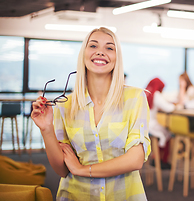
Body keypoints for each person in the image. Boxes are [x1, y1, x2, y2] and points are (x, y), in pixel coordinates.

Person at [31, 27, 151, 200]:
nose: (101, 52)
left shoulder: (134, 98)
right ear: (84, 54)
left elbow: (135, 159)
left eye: (109, 48)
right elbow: (62, 169)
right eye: (93, 46)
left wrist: (82, 170)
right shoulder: (66, 105)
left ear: (117, 58)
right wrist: (46, 129)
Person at [145, 77, 175, 169]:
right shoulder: (156, 95)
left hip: (143, 125)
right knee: (168, 132)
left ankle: (156, 157)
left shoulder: (145, 93)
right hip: (151, 125)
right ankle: (161, 159)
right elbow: (169, 108)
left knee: (163, 133)